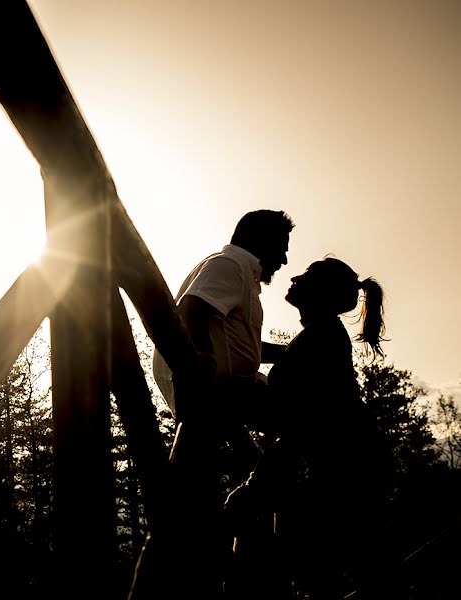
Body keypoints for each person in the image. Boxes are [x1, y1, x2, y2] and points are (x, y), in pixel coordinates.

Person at [132, 210, 294, 599]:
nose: (284, 260)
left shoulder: (242, 276)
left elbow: (244, 347)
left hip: (225, 388)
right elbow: (190, 311)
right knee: (296, 423)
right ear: (255, 236)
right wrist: (202, 360)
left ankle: (245, 548)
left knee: (248, 472)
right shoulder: (231, 264)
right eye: (281, 248)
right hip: (212, 390)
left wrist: (289, 352)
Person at [224, 257, 399, 599]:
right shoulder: (318, 337)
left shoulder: (318, 341)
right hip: (351, 465)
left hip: (352, 468)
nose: (293, 277)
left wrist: (256, 484)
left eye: (305, 276)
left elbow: (292, 423)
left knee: (349, 564)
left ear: (320, 293)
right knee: (352, 562)